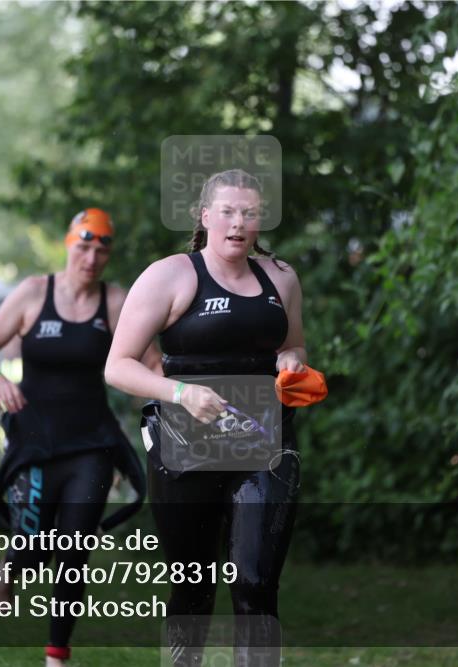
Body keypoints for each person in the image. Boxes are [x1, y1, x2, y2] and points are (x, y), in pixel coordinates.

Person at [103, 169, 307, 665]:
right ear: (205, 215)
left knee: (257, 583)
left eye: (250, 213)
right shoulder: (170, 275)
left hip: (265, 444)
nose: (238, 223)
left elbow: (293, 343)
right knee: (192, 590)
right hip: (185, 447)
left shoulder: (280, 277)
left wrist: (292, 361)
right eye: (228, 211)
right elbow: (118, 366)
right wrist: (181, 393)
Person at [0, 208, 154, 667]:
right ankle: (12, 563)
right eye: (84, 247)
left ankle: (56, 655)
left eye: (101, 250)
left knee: (74, 548)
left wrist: (177, 400)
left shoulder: (115, 301)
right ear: (69, 244)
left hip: (91, 442)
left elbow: (153, 365)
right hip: (34, 439)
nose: (91, 258)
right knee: (31, 544)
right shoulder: (35, 293)